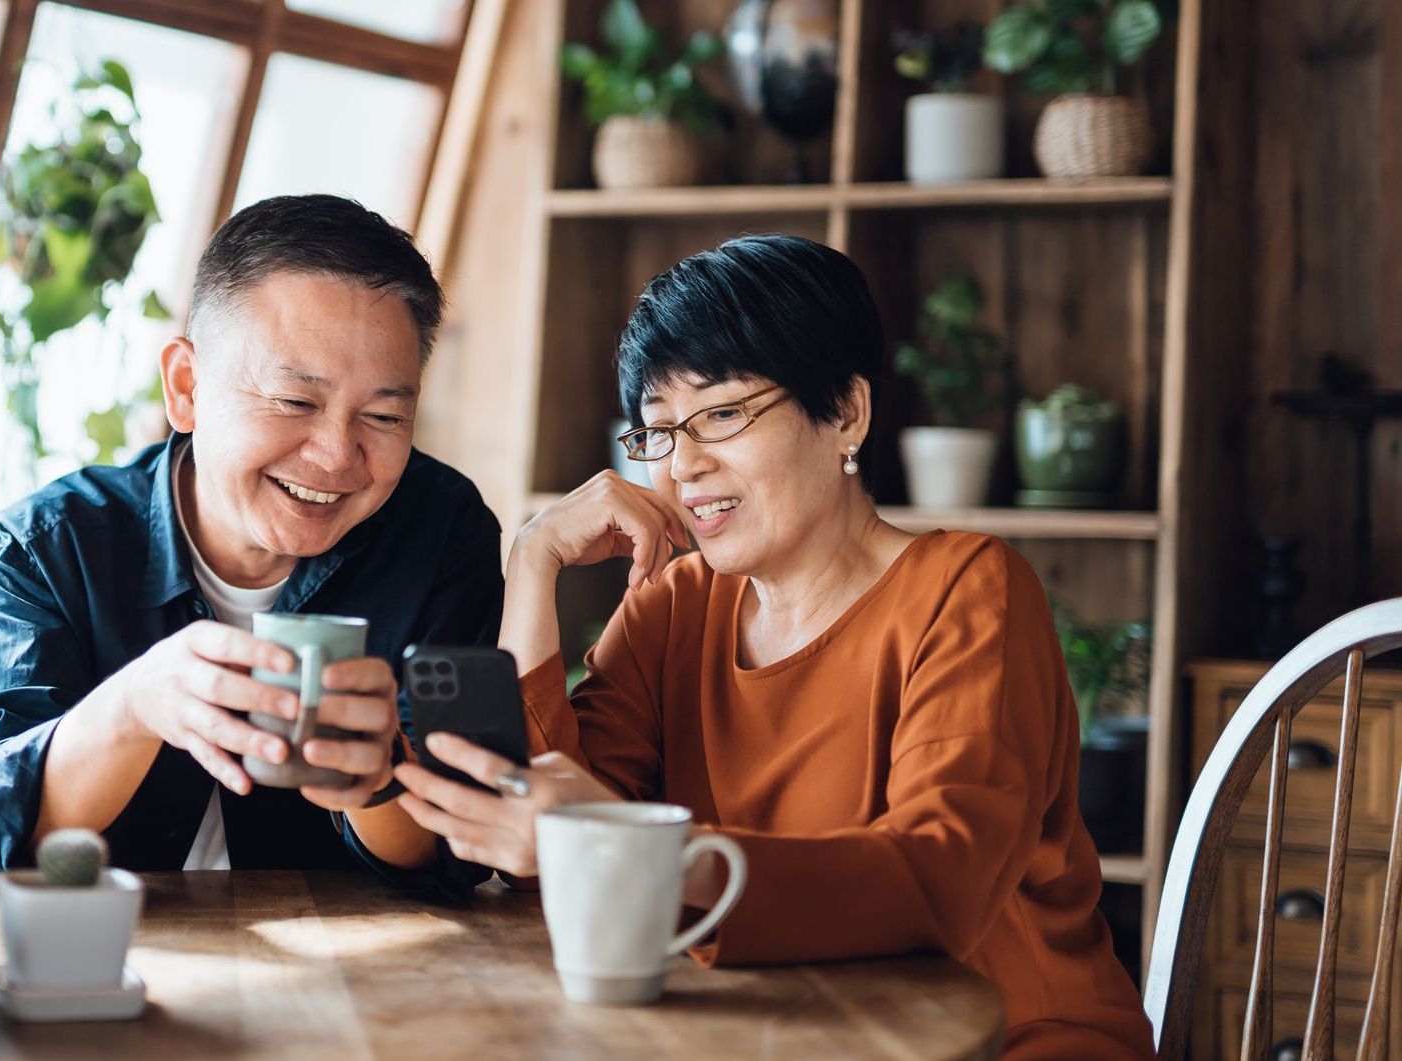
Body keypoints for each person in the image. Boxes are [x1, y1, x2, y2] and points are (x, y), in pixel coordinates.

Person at [393, 235, 1155, 1058]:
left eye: (721, 413)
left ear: (846, 413)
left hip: (1001, 1038)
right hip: (779, 1034)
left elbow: (937, 881)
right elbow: (540, 849)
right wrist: (532, 561)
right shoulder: (675, 607)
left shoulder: (968, 589)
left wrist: (634, 846)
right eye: (656, 430)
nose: (682, 464)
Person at [0, 194, 500, 896]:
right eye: (295, 402)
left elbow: (459, 851)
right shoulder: (47, 550)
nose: (335, 455)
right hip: (106, 957)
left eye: (384, 414)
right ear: (186, 386)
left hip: (355, 979)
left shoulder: (441, 534)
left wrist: (377, 779)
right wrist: (135, 704)